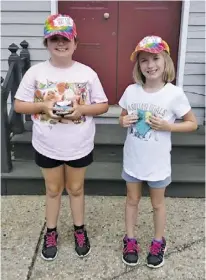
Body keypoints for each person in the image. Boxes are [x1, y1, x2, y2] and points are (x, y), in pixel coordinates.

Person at [14, 14, 108, 261]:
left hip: (79, 144)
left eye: (66, 38)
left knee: (76, 189)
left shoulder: (87, 73)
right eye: (54, 38)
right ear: (46, 43)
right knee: (53, 189)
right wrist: (43, 107)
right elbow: (19, 106)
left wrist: (82, 110)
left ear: (75, 43)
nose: (60, 43)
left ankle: (79, 229)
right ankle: (51, 231)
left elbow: (103, 105)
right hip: (47, 144)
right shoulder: (36, 72)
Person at [118, 35, 197, 268]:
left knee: (157, 204)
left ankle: (158, 240)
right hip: (133, 159)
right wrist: (123, 121)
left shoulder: (174, 94)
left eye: (155, 58)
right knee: (132, 200)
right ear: (138, 66)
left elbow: (192, 123)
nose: (150, 65)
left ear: (166, 62)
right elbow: (122, 117)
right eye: (144, 60)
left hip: (158, 162)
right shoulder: (131, 91)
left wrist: (169, 126)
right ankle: (130, 239)